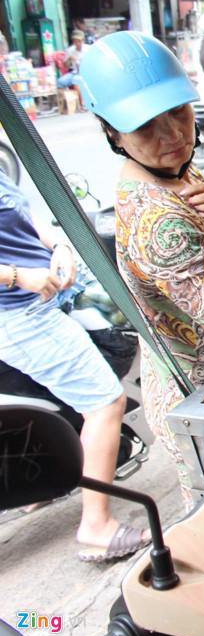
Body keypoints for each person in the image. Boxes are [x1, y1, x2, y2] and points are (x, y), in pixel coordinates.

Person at [78, 31, 204, 511]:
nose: (173, 135)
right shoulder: (158, 223)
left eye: (178, 112)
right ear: (112, 132)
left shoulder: (179, 171)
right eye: (146, 127)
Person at [0, 168, 149, 561]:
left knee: (59, 399)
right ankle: (97, 527)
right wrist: (16, 276)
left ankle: (44, 486)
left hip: (42, 297)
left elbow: (18, 216)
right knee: (104, 403)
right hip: (20, 314)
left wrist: (57, 246)